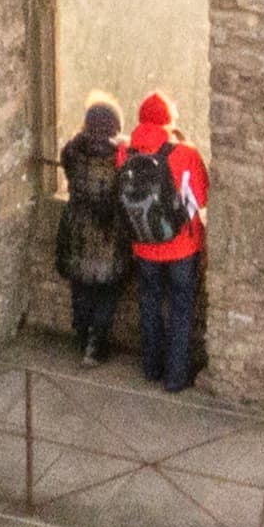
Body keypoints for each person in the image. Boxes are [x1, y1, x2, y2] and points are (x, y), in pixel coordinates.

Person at [121, 91, 209, 394]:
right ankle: (175, 376)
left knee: (149, 304)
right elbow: (200, 196)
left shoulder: (125, 154)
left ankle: (152, 367)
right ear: (169, 120)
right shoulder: (185, 154)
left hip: (144, 245)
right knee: (181, 309)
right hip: (182, 247)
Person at [55, 95, 136, 364]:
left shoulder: (73, 150)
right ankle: (96, 345)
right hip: (108, 233)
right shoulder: (121, 157)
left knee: (81, 289)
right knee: (106, 292)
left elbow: (69, 169)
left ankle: (82, 336)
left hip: (77, 230)